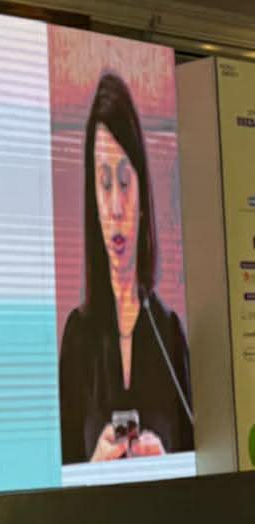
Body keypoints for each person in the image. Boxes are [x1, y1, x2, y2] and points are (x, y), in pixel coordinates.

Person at [59, 72, 192, 464]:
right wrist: (95, 470)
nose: (116, 207)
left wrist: (165, 461)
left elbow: (199, 456)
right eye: (104, 184)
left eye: (124, 182)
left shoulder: (169, 332)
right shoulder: (77, 337)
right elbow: (62, 473)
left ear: (142, 193)